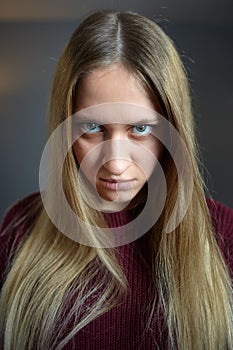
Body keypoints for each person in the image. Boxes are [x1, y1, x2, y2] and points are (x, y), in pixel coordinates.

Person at [0, 10, 232, 350]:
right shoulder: (20, 229)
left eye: (140, 129)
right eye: (92, 128)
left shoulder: (224, 237)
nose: (117, 165)